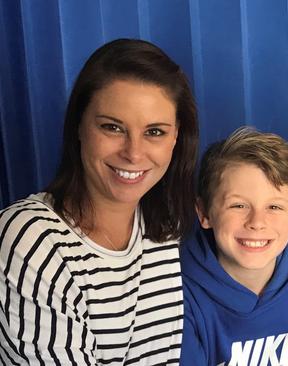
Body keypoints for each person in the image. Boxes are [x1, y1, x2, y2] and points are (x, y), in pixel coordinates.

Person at [0, 39, 198, 365]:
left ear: (177, 136)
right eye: (112, 127)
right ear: (79, 126)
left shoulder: (164, 226)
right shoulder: (30, 239)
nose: (133, 153)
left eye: (155, 132)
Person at [180, 127, 288, 365]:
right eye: (238, 206)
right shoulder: (179, 294)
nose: (257, 223)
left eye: (274, 207)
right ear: (204, 213)